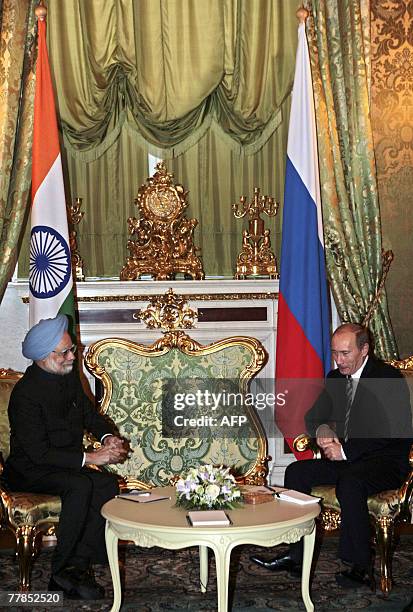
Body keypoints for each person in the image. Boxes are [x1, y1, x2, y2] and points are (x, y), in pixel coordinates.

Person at [251, 323, 413, 589]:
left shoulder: (388, 378)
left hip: (386, 460)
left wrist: (345, 450)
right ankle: (297, 554)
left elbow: (390, 433)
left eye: (345, 353)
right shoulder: (336, 378)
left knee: (351, 482)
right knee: (296, 473)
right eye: (335, 353)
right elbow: (313, 416)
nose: (338, 360)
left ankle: (361, 565)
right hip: (348, 460)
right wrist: (323, 429)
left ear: (364, 350)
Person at [4, 314, 127, 600]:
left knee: (106, 485)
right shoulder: (25, 395)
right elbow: (38, 452)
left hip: (63, 464)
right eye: (66, 352)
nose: (73, 355)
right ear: (46, 356)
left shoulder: (68, 375)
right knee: (81, 485)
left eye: (72, 349)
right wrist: (91, 458)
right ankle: (61, 572)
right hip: (29, 469)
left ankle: (78, 567)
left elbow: (89, 415)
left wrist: (108, 437)